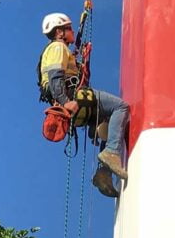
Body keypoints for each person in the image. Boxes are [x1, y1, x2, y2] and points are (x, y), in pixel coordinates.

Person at [37, 12, 130, 197]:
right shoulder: (57, 47)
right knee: (121, 107)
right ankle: (111, 153)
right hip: (72, 98)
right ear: (59, 32)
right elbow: (55, 76)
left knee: (109, 120)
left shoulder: (60, 49)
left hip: (71, 102)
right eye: (68, 28)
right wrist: (66, 101)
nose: (71, 31)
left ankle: (104, 173)